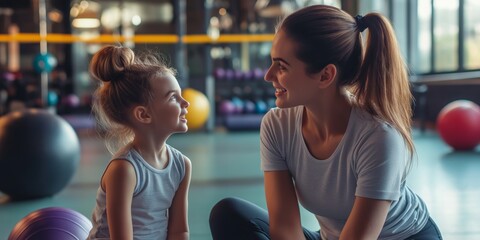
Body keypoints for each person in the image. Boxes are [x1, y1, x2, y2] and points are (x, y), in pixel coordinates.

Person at [209, 4, 442, 240]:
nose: (268, 75)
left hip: (403, 237)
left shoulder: (379, 137)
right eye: (272, 62)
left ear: (325, 75)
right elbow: (284, 229)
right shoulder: (277, 125)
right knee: (228, 214)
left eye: (282, 66)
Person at [87, 45, 192, 240]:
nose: (186, 103)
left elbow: (179, 231)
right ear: (143, 114)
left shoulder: (182, 165)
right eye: (173, 98)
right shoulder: (124, 169)